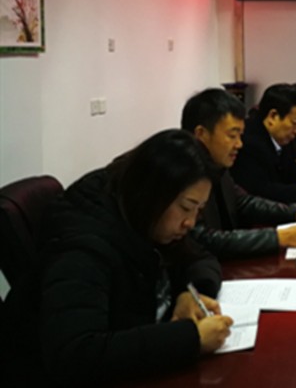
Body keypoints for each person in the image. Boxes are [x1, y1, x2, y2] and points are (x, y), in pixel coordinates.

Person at [38, 130, 233, 385]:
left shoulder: (148, 219)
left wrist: (192, 293)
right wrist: (191, 339)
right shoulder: (84, 248)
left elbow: (199, 256)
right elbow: (76, 354)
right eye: (186, 207)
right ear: (151, 193)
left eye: (199, 210)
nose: (190, 222)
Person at [182, 88, 296, 259]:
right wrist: (279, 237)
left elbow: (243, 202)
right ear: (201, 134)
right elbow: (205, 240)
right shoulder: (182, 174)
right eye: (232, 136)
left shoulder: (216, 166)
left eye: (240, 136)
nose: (239, 144)